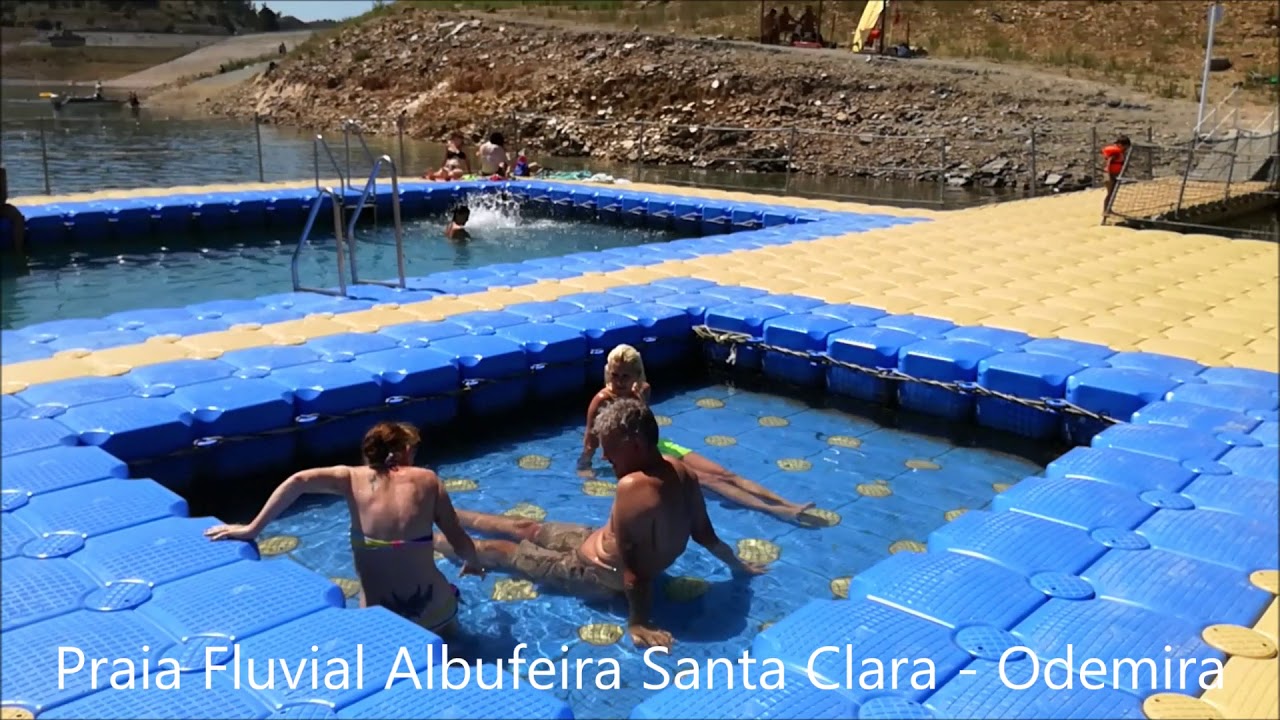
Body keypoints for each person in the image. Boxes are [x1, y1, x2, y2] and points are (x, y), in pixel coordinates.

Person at [436, 398, 766, 649]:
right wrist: (740, 569)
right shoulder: (682, 471)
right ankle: (445, 512)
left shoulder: (633, 488)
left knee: (500, 551)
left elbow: (632, 569)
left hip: (591, 574)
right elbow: (705, 535)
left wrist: (638, 623)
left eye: (610, 451)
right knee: (527, 528)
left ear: (635, 444)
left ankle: (430, 536)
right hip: (595, 540)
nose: (605, 459)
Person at [204, 422, 485, 635]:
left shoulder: (349, 478)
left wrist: (251, 529)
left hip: (380, 617)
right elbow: (459, 540)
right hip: (436, 609)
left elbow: (297, 481)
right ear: (407, 451)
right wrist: (472, 562)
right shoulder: (428, 480)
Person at [577, 345, 818, 524]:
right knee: (711, 481)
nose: (618, 381)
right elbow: (591, 437)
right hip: (638, 457)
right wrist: (585, 466)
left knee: (724, 474)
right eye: (614, 375)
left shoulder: (644, 390)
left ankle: (787, 502)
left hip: (659, 445)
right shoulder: (601, 400)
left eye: (624, 376)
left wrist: (641, 402)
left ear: (637, 375)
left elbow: (648, 427)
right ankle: (777, 511)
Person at [1101, 135, 1132, 211]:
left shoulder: (1121, 153)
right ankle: (1106, 210)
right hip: (1110, 175)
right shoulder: (1116, 153)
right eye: (1125, 147)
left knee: (1113, 193)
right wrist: (1108, 175)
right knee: (1110, 193)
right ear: (1120, 145)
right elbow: (1108, 162)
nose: (1126, 149)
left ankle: (1109, 209)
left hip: (1114, 175)